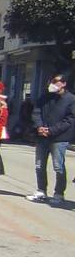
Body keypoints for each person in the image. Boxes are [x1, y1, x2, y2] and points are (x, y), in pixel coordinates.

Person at [28, 73, 75, 206]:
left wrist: (52, 130)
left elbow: (69, 120)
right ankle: (41, 190)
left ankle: (59, 193)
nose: (52, 84)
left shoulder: (71, 99)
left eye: (56, 81)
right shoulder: (44, 97)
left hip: (59, 138)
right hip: (42, 137)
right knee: (39, 165)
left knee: (58, 166)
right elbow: (36, 112)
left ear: (64, 83)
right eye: (51, 81)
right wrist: (39, 127)